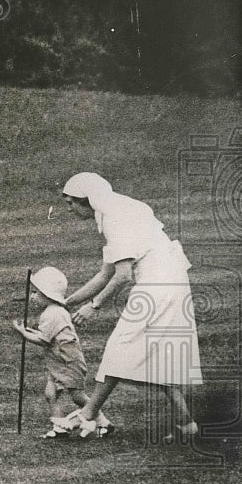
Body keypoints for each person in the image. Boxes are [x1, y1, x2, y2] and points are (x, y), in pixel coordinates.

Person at [56, 172, 201, 440]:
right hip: (170, 281)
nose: (69, 209)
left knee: (118, 348)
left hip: (158, 284)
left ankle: (87, 414)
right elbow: (105, 274)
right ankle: (186, 426)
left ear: (86, 200)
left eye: (71, 203)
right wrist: (65, 302)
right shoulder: (116, 208)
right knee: (158, 357)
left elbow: (123, 275)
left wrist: (94, 306)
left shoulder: (113, 218)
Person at [12, 266, 113, 439]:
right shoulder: (52, 312)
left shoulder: (53, 314)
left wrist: (23, 333)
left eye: (37, 293)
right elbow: (48, 337)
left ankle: (104, 423)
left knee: (78, 396)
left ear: (47, 294)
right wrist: (29, 331)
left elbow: (43, 340)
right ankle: (58, 427)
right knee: (51, 392)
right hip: (58, 361)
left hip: (68, 362)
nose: (33, 296)